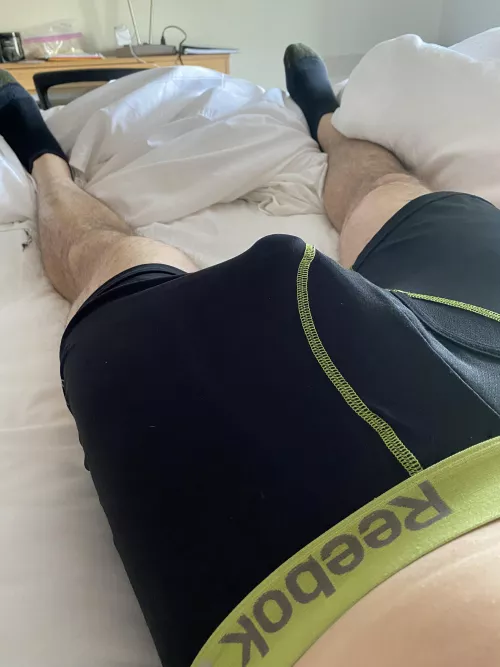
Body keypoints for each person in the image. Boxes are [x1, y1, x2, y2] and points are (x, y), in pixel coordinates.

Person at [1, 43, 499, 667]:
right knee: (397, 196)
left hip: (287, 586)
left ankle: (44, 161)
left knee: (111, 262)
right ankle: (325, 121)